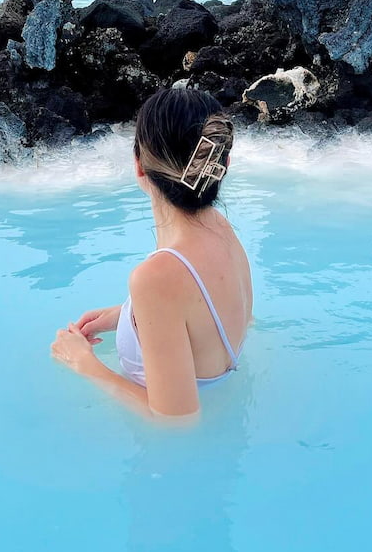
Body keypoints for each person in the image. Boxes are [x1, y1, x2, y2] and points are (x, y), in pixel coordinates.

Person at [51, 87, 252, 421]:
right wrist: (126, 316)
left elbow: (176, 420)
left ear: (139, 166)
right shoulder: (221, 229)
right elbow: (209, 315)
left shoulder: (156, 278)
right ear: (224, 163)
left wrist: (84, 363)